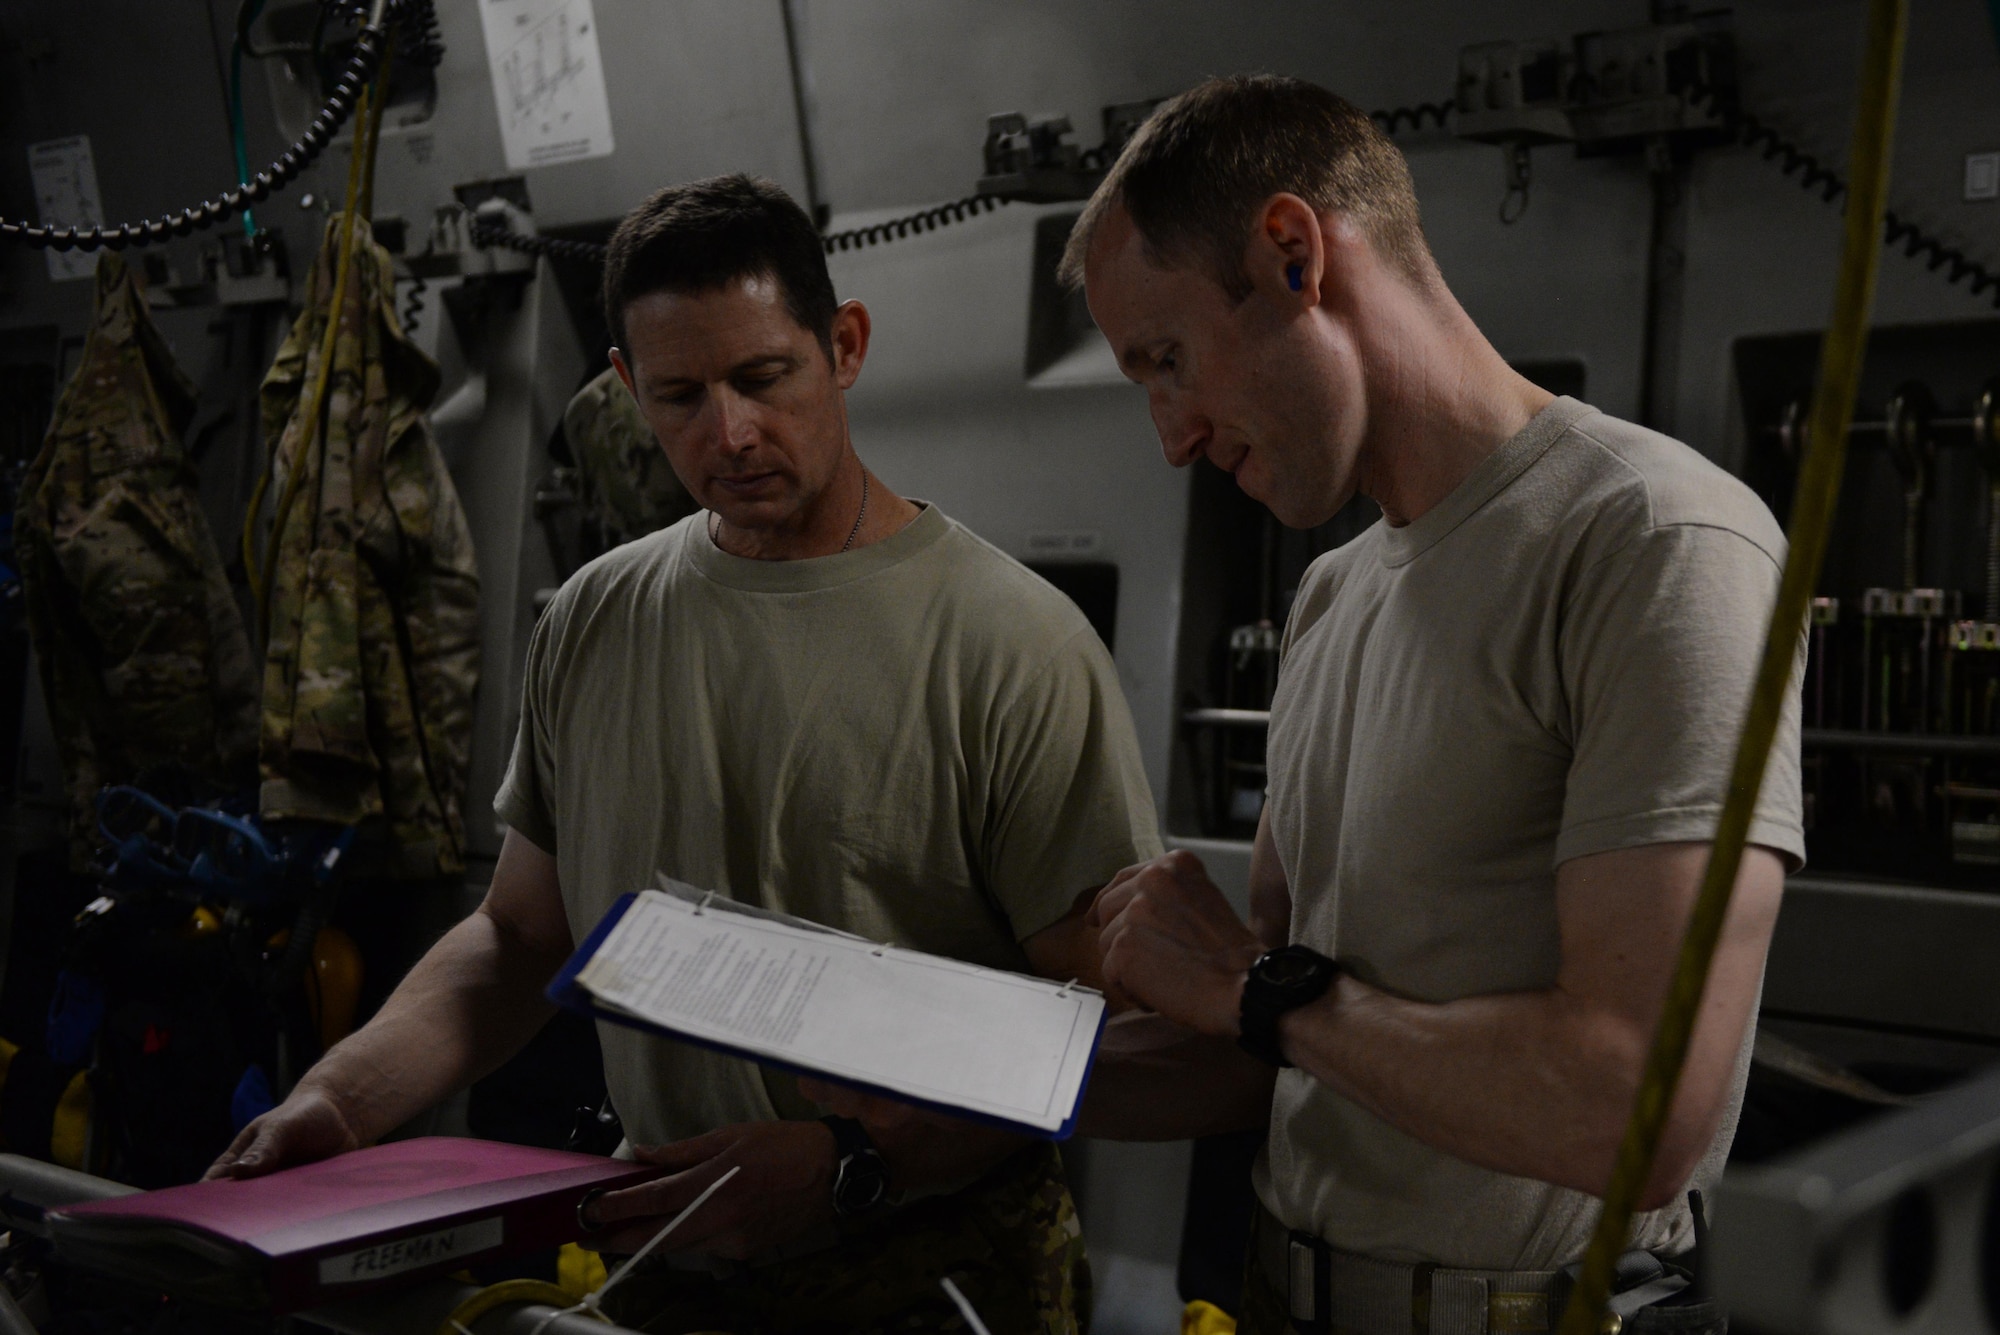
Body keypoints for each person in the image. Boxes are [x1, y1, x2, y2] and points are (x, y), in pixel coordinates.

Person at [210, 174, 1163, 1335]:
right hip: (669, 1263)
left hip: (934, 1276)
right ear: (626, 388)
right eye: (678, 396)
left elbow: (1090, 1027)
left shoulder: (1010, 645)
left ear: (843, 346)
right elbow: (519, 935)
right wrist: (341, 1098)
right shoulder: (594, 620)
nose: (730, 434)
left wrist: (856, 1160)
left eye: (764, 378)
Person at [1065, 77, 1802, 1335]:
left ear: (1292, 254)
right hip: (1283, 1295)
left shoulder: (1650, 540)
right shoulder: (1329, 600)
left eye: (1168, 361)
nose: (1171, 438)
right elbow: (1279, 1045)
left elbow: (1636, 1107)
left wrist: (1255, 987)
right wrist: (954, 1072)